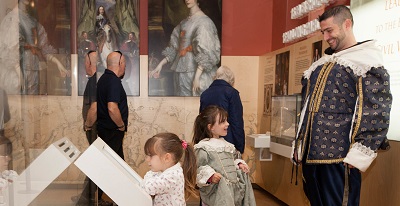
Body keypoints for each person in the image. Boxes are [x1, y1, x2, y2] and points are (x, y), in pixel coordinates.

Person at [291, 5, 392, 206]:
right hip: (311, 158)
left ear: (347, 24)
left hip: (340, 158)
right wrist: (300, 143)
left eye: (330, 30)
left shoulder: (366, 61)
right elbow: (306, 109)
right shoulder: (322, 64)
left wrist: (359, 153)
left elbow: (376, 109)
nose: (326, 37)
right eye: (323, 32)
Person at [149, 0, 221, 96]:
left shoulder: (205, 22)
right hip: (180, 75)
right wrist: (160, 65)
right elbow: (175, 48)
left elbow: (207, 52)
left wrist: (197, 77)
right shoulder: (184, 22)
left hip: (198, 75)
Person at [192, 105, 256, 206]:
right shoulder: (204, 147)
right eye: (222, 122)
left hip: (232, 190)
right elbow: (199, 167)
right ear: (211, 127)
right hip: (216, 193)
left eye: (226, 120)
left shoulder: (227, 145)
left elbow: (232, 159)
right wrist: (210, 176)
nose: (227, 124)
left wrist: (239, 164)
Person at [96, 51, 128, 205]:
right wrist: (121, 125)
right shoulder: (114, 81)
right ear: (120, 63)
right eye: (125, 65)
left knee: (115, 167)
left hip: (105, 131)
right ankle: (89, 198)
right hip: (112, 132)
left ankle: (116, 199)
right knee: (113, 168)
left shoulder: (103, 79)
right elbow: (112, 108)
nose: (125, 68)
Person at [141, 132, 197, 206]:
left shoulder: (172, 176)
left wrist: (147, 178)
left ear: (167, 158)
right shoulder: (166, 171)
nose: (147, 159)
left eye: (150, 156)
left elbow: (149, 188)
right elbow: (149, 179)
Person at [199, 66, 245, 154]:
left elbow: (201, 120)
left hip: (208, 141)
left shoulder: (205, 94)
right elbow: (237, 121)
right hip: (228, 141)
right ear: (231, 79)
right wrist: (240, 146)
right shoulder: (232, 93)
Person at [73, 50, 98, 205]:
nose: (84, 66)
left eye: (84, 63)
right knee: (95, 163)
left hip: (94, 129)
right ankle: (87, 196)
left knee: (95, 163)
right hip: (97, 129)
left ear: (89, 63)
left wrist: (88, 125)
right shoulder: (98, 80)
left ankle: (86, 198)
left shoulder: (94, 81)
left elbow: (94, 108)